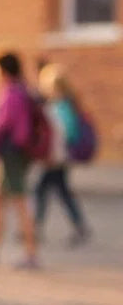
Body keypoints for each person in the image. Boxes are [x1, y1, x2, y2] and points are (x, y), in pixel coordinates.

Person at [0, 51, 40, 269]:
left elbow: (1, 125)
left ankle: (30, 253)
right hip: (13, 153)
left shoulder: (11, 92)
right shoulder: (22, 90)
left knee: (19, 203)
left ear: (2, 69)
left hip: (11, 153)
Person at [33, 64, 90, 247]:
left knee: (42, 190)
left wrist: (51, 155)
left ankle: (35, 227)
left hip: (56, 157)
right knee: (60, 191)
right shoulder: (66, 104)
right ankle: (78, 225)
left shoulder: (60, 107)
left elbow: (63, 134)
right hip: (60, 157)